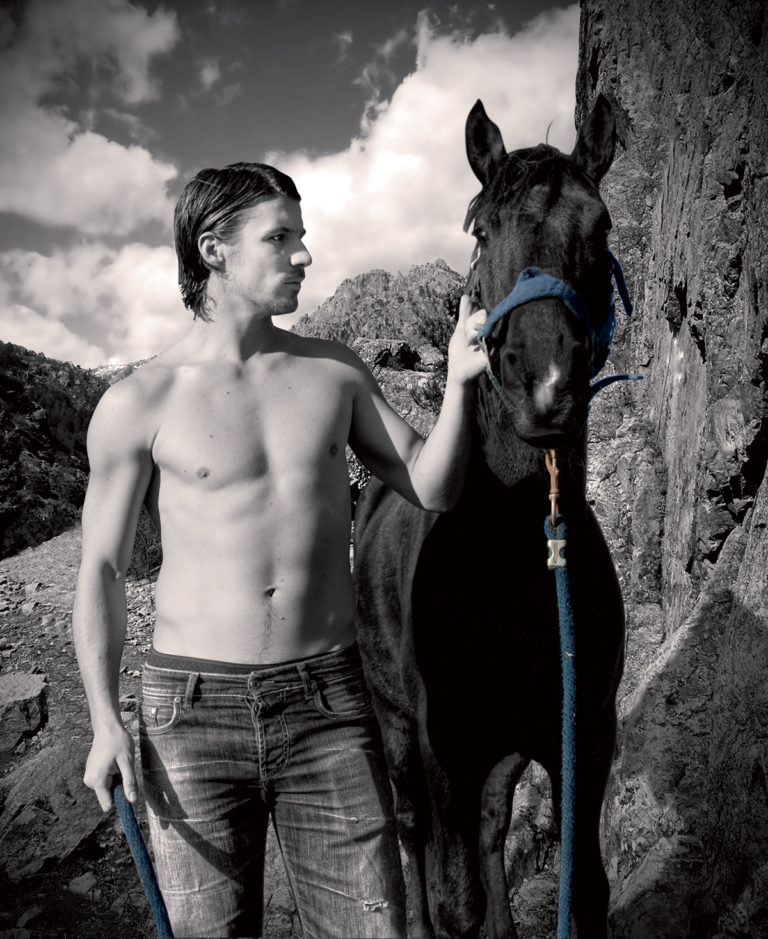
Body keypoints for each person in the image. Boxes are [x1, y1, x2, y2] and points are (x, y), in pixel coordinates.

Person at [72, 161, 486, 939]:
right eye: (280, 237)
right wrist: (103, 720)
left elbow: (431, 485)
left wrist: (461, 383)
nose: (304, 253)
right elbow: (100, 568)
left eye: (303, 235)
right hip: (190, 713)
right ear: (215, 250)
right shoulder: (138, 402)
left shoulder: (335, 373)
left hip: (327, 701)